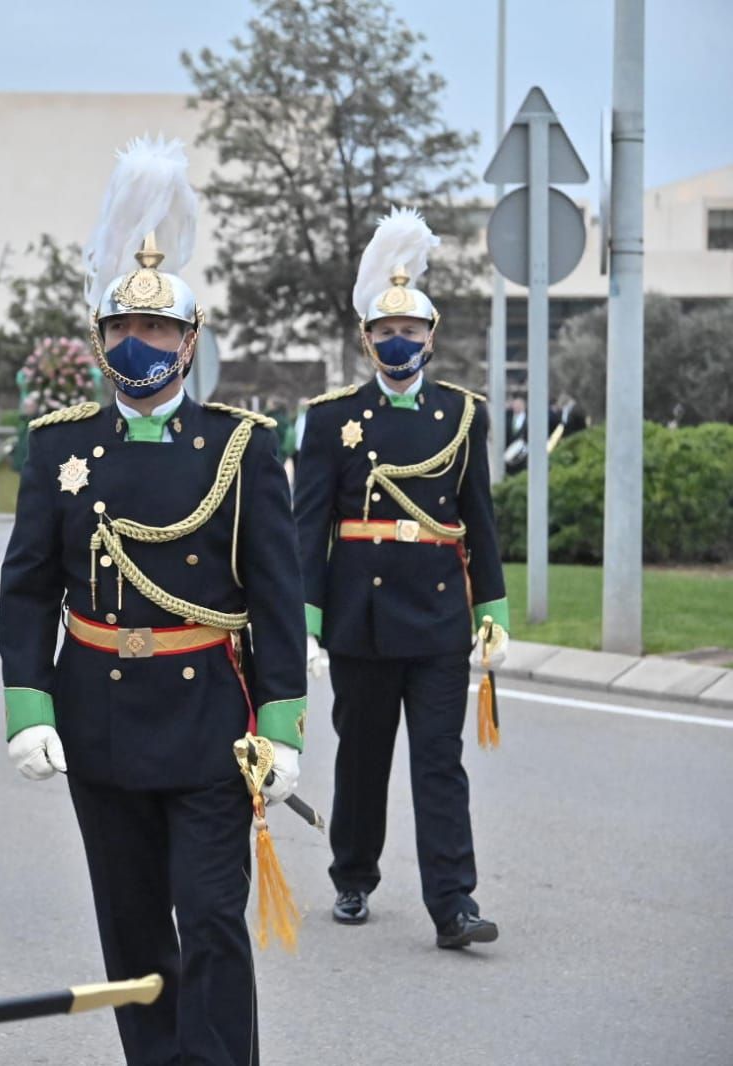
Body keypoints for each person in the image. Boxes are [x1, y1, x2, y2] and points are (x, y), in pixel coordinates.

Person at [0, 137, 307, 1065]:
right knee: (133, 936)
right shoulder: (58, 446)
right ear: (100, 342)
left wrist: (284, 722)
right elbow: (27, 585)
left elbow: (277, 595)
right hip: (96, 713)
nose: (142, 347)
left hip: (212, 719)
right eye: (125, 333)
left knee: (211, 923)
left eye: (162, 334)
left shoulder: (241, 446)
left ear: (189, 342)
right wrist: (27, 703)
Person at [293, 207, 510, 950]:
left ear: (430, 336)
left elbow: (476, 517)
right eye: (384, 333)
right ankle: (352, 875)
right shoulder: (330, 420)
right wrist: (307, 621)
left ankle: (452, 903)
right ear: (365, 339)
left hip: (440, 616)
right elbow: (306, 528)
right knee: (360, 758)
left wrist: (493, 607)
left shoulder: (461, 414)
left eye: (410, 332)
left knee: (438, 764)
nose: (397, 342)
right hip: (361, 615)